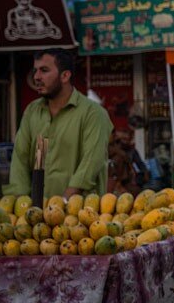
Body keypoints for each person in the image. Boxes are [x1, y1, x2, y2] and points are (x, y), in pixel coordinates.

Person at [7, 49, 112, 202]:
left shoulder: (93, 113)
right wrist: (22, 204)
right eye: (35, 71)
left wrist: (63, 202)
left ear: (65, 76)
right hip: (37, 215)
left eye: (44, 70)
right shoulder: (33, 112)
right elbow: (20, 160)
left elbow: (91, 163)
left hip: (81, 216)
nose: (36, 77)